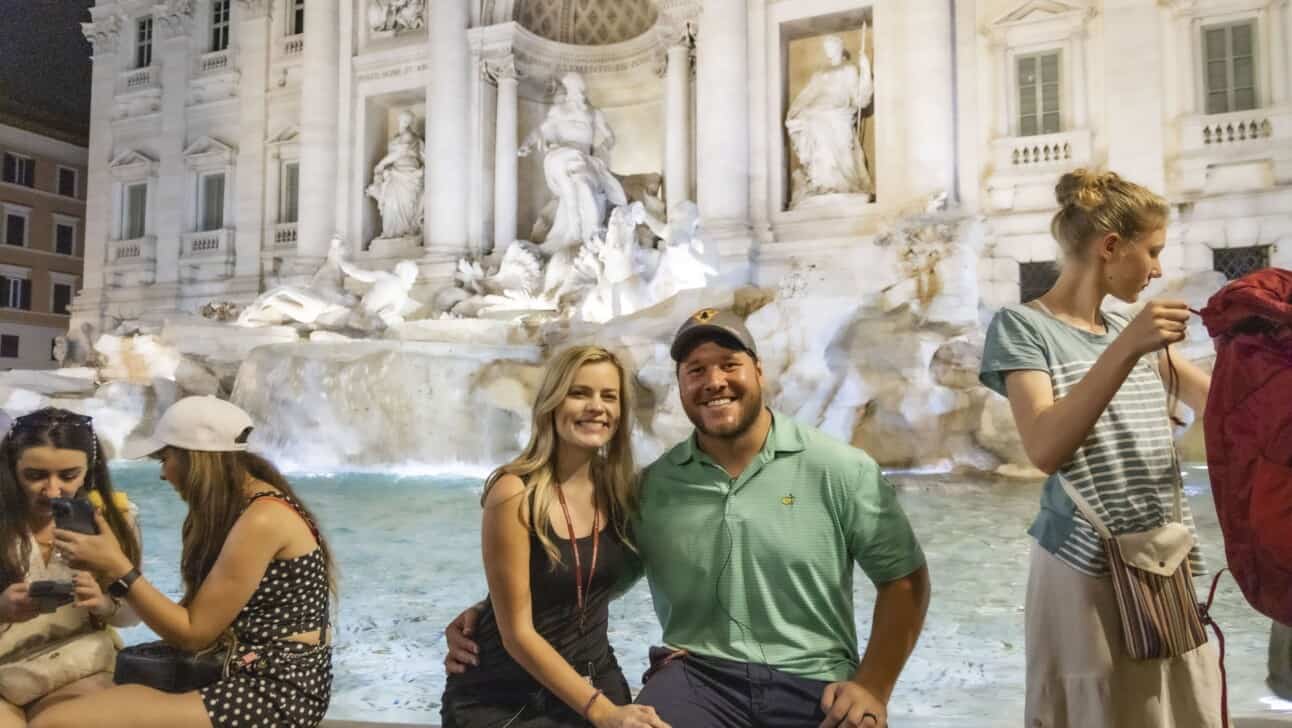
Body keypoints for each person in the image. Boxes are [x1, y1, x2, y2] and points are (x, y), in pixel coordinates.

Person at [448, 310, 931, 728]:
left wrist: (873, 686)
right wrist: (491, 611)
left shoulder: (840, 468)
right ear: (680, 385)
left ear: (759, 371)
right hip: (699, 677)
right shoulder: (654, 486)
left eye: (728, 364)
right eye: (695, 369)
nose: (713, 381)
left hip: (814, 679)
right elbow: (590, 566)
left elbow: (904, 579)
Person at [978, 169, 1221, 727]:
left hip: (1163, 556)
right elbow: (1043, 446)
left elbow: (1220, 403)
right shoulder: (1022, 326)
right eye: (1153, 251)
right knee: (1097, 710)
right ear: (1112, 247)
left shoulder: (1126, 327)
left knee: (1179, 709)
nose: (1158, 269)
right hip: (1081, 567)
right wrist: (1128, 348)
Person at [32, 396, 336, 728]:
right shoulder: (233, 510)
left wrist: (117, 566)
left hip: (275, 687)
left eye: (165, 458)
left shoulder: (262, 519)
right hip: (237, 665)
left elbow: (193, 634)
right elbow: (190, 618)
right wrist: (109, 585)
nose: (163, 474)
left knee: (56, 723)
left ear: (194, 459)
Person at [441, 346, 667, 728]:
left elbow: (599, 577)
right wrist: (604, 713)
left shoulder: (621, 492)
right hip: (507, 694)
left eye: (608, 396)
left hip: (595, 677)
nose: (597, 406)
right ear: (551, 402)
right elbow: (516, 634)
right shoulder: (514, 493)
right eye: (579, 393)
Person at [0, 408, 142, 727]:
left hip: (78, 662)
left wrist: (104, 604)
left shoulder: (116, 522)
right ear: (11, 469)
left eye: (68, 476)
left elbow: (133, 612)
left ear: (89, 471)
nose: (52, 491)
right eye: (35, 476)